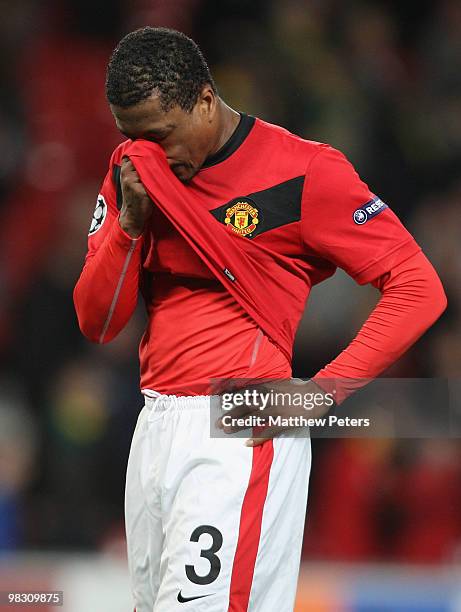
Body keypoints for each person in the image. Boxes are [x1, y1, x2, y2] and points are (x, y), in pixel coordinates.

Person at [73, 27, 446, 612]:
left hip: (240, 420)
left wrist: (322, 392)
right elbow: (97, 323)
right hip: (154, 424)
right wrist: (127, 227)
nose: (151, 152)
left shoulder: (305, 171)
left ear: (202, 98)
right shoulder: (135, 170)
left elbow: (418, 287)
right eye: (132, 136)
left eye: (162, 135)